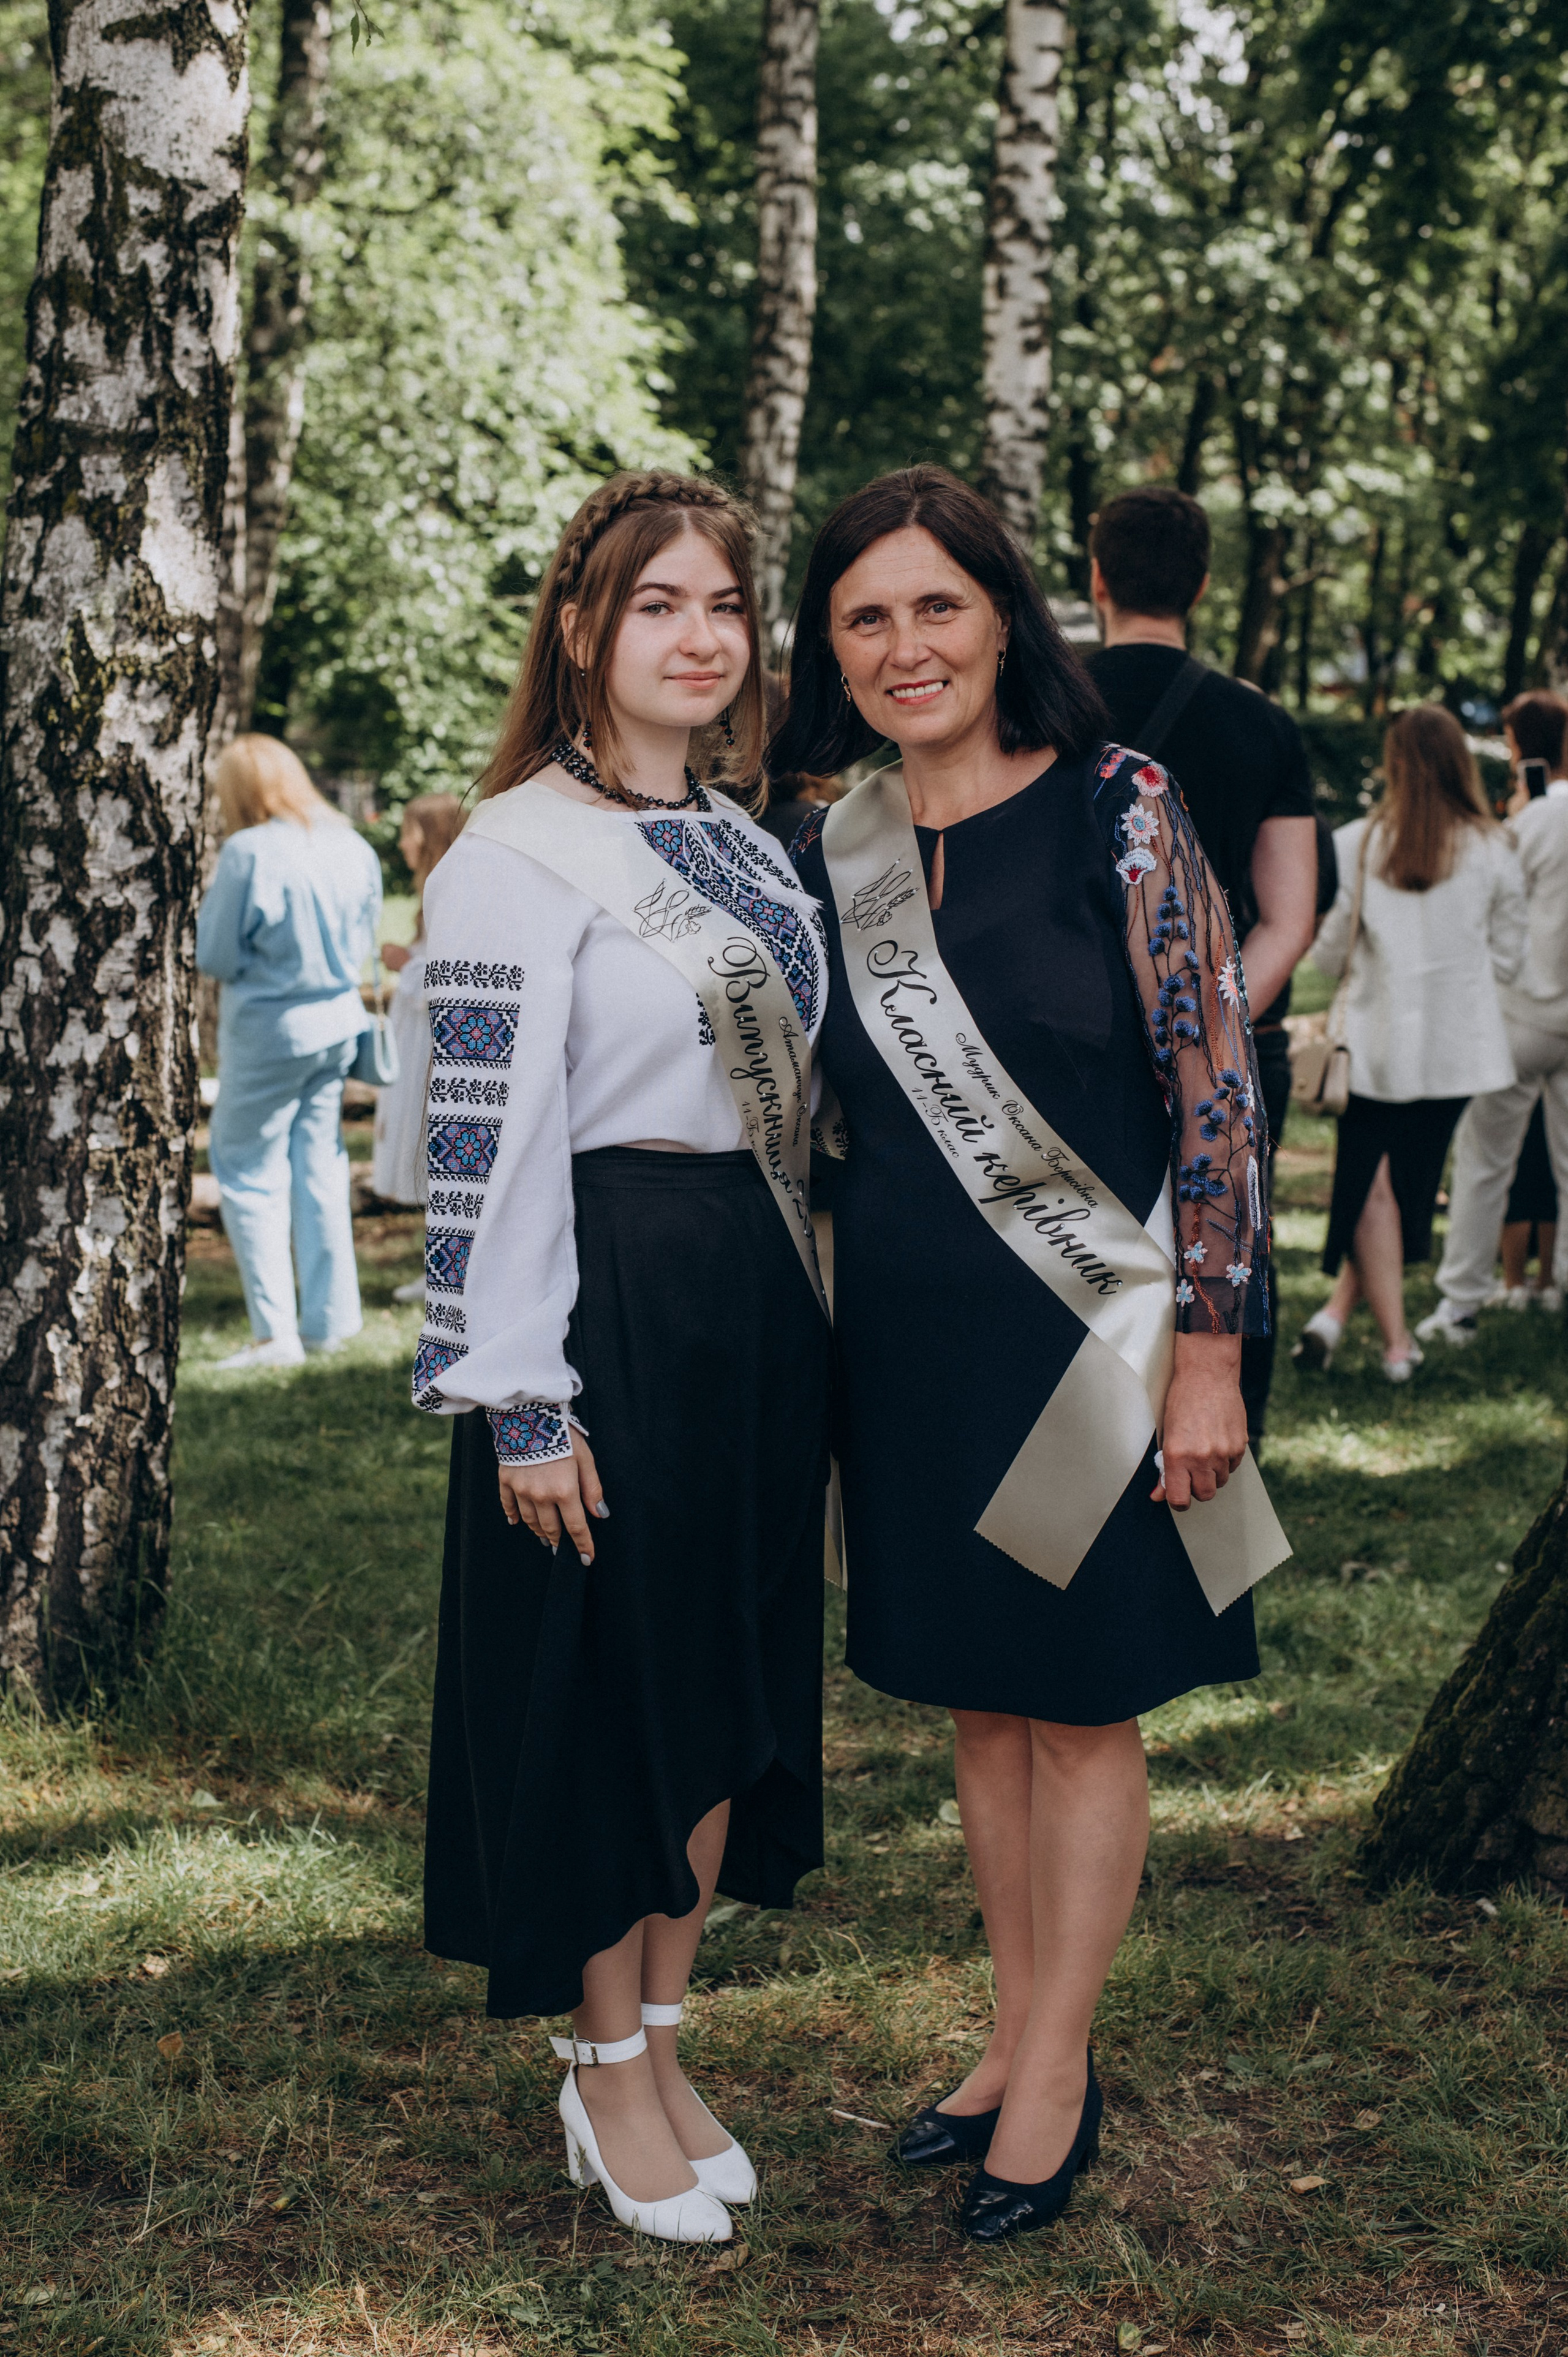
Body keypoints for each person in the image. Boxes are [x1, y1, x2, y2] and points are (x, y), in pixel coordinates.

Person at [777, 466, 1286, 2246]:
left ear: (1003, 614)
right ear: (828, 650)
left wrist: (1211, 1350)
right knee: (983, 1704)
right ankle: (1010, 2030)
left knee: (1077, 1704)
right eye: (866, 615)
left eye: (936, 605)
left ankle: (1057, 2066)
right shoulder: (823, 853)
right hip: (912, 1348)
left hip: (1109, 1341)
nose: (905, 644)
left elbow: (1213, 1085)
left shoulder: (1118, 808)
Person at [412, 471, 831, 2247]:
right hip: (603, 1302)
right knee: (611, 1698)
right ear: (583, 628)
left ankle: (664, 2043)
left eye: (724, 605)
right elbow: (475, 1140)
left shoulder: (749, 843)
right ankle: (597, 2077)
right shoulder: (514, 850)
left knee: (723, 1683)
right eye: (658, 602)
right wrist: (524, 1394)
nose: (698, 636)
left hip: (752, 1290)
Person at [1085, 488, 1321, 1444]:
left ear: (1096, 577)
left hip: (1063, 1057)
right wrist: (1196, 1034)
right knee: (1215, 1258)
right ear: (1205, 586)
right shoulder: (1260, 725)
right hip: (1232, 1059)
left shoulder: (1046, 705)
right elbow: (1289, 918)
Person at [1294, 706, 1525, 1377]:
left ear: (1393, 764)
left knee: (1374, 1190)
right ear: (1459, 762)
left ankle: (1390, 1341)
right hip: (1459, 1052)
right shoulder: (1494, 847)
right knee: (1402, 1190)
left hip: (1376, 1047)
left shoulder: (1355, 842)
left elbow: (1329, 957)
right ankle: (1353, 1323)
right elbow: (1510, 958)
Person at [197, 734, 383, 1372]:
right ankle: (331, 1322)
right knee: (321, 1166)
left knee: (247, 1170)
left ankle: (273, 1334)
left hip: (271, 1029)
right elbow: (364, 942)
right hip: (337, 1023)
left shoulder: (247, 851)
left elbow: (215, 955)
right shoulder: (352, 844)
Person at [1417, 690, 1568, 1343]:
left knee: (1483, 1159)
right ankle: (1556, 1284)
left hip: (1526, 1011)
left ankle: (1461, 1303)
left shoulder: (1535, 820)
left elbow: (1492, 904)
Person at [370, 792, 467, 1302]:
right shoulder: (433, 889)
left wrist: (403, 964)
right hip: (419, 1033)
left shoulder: (456, 888)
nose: (403, 841)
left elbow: (451, 973)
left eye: (410, 830)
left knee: (438, 1148)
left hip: (436, 1039)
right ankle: (438, 1273)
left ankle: (449, 1277)